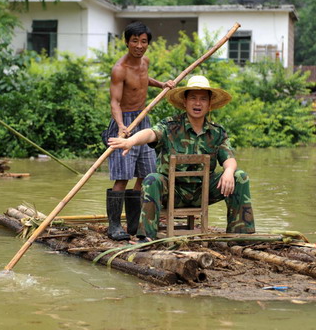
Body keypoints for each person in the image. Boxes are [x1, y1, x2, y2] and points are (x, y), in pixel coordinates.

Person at [108, 75, 255, 241]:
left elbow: (229, 157)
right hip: (172, 192)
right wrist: (130, 141)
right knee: (151, 179)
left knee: (239, 176)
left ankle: (240, 236)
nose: (197, 103)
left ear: (209, 104)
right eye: (193, 98)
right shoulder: (170, 126)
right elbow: (150, 133)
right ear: (185, 102)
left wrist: (228, 171)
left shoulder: (217, 132)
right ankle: (146, 237)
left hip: (203, 192)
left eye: (202, 99)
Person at [104, 21, 175, 240]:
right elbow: (114, 102)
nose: (139, 45)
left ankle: (134, 224)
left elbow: (142, 82)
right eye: (134, 41)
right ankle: (114, 226)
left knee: (145, 174)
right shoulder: (119, 69)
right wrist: (121, 126)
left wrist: (162, 84)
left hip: (144, 120)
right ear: (127, 42)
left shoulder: (145, 62)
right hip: (124, 122)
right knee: (122, 176)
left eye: (143, 41)